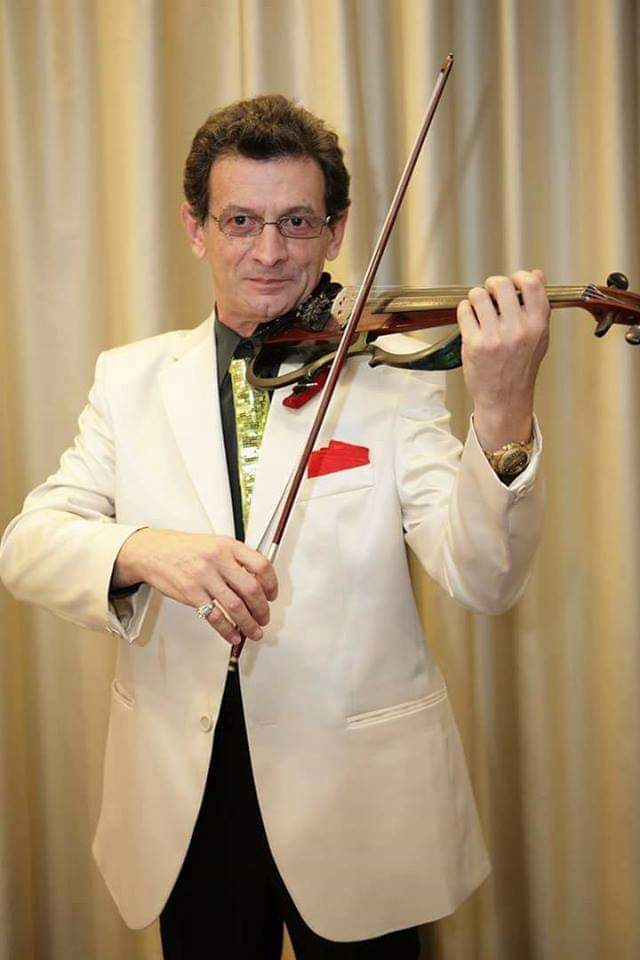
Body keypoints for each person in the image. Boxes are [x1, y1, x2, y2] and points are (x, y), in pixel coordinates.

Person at [0, 95, 549, 959]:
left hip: (357, 801)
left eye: (296, 222)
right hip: (187, 798)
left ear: (335, 234)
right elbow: (27, 546)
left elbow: (485, 578)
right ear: (196, 228)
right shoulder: (129, 380)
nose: (268, 251)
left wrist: (504, 409)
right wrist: (144, 550)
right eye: (240, 221)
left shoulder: (390, 381)